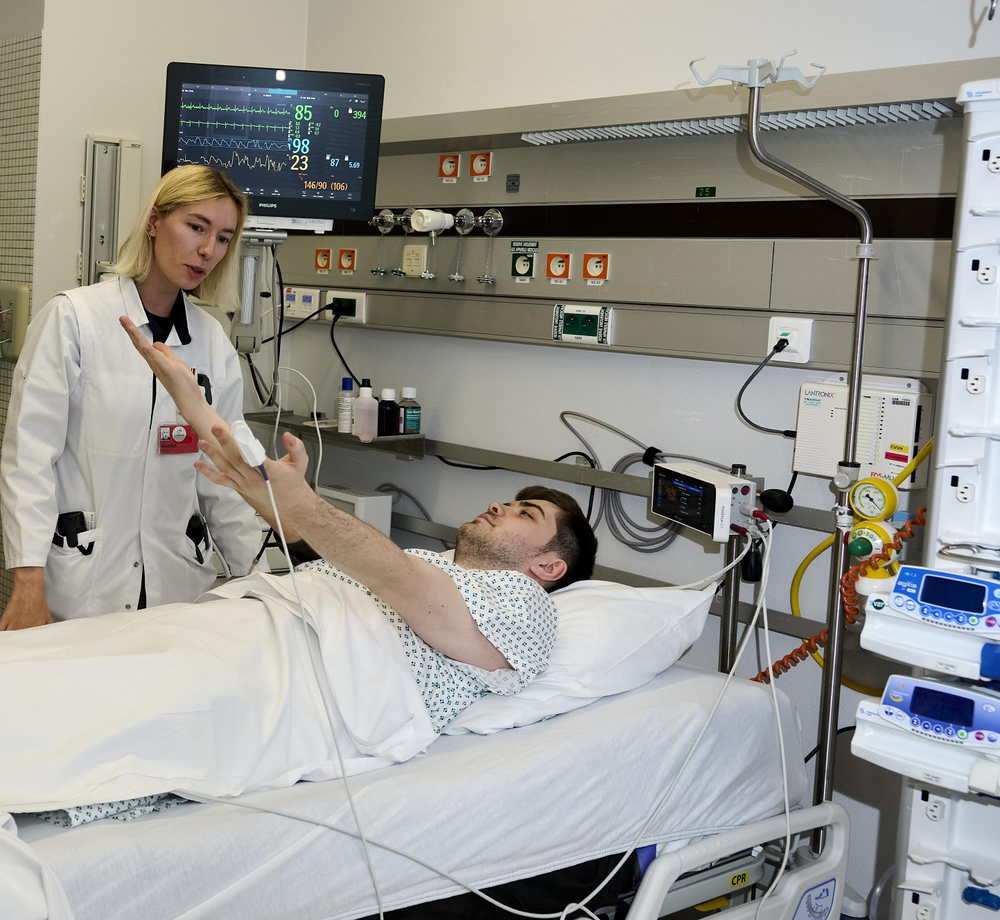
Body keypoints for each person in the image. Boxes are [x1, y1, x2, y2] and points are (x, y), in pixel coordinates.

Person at [124, 309, 598, 729]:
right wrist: (193, 406)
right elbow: (305, 535)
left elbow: (397, 577)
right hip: (242, 636)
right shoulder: (432, 562)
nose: (498, 506)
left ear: (549, 566)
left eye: (525, 513)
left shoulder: (525, 608)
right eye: (510, 502)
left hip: (286, 685)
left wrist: (301, 501)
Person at [0, 165, 263, 630]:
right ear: (154, 221)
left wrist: (260, 584)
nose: (208, 250)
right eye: (196, 227)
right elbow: (29, 460)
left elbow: (223, 478)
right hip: (83, 583)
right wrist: (27, 583)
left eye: (223, 238)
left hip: (180, 586)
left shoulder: (212, 342)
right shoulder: (74, 319)